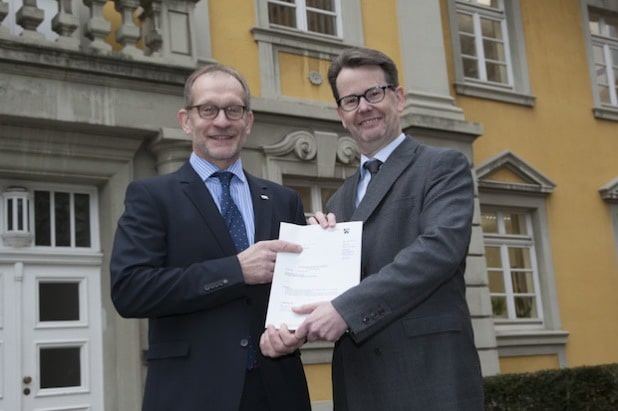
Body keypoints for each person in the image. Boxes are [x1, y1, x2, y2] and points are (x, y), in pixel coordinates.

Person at [261, 47, 484, 410]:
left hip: (429, 377)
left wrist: (346, 309)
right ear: (341, 114)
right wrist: (293, 324)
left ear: (398, 97)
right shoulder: (338, 201)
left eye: (374, 93)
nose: (363, 107)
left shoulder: (442, 166)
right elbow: (337, 289)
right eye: (351, 100)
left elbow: (439, 249)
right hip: (358, 384)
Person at [110, 64, 311, 411]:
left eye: (233, 109)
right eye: (208, 109)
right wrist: (235, 270)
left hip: (278, 391)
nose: (221, 121)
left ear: (248, 121)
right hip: (190, 393)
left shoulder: (283, 199)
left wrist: (299, 331)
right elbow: (130, 290)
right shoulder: (151, 196)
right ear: (186, 120)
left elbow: (301, 290)